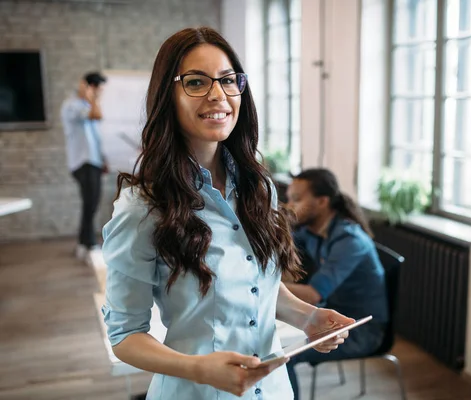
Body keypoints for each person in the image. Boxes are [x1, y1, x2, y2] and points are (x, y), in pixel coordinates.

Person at [101, 27, 354, 400]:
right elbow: (125, 335)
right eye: (196, 82)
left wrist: (307, 318)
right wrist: (199, 368)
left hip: (272, 390)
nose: (217, 95)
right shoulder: (143, 207)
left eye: (228, 80)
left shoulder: (257, 187)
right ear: (166, 96)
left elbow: (255, 281)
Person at [284, 168, 389, 399]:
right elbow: (279, 247)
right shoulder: (311, 230)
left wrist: (266, 285)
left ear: (322, 202)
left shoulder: (349, 240)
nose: (289, 206)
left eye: (297, 199)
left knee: (282, 354)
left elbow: (312, 295)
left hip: (360, 330)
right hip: (332, 315)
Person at [61, 71, 108, 264]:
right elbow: (97, 115)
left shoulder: (86, 105)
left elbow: (95, 137)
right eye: (98, 88)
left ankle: (83, 242)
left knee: (92, 203)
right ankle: (88, 244)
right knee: (90, 203)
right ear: (87, 86)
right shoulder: (72, 105)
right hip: (82, 162)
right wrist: (93, 97)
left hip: (93, 161)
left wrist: (103, 159)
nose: (100, 93)